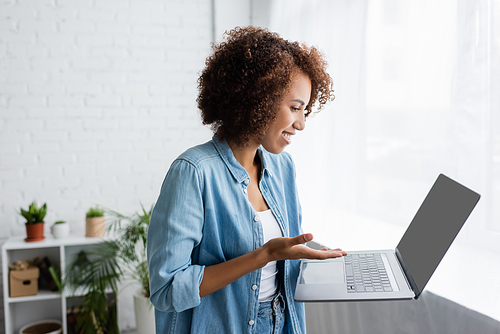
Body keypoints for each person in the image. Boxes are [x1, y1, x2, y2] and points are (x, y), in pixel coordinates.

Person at [147, 26, 346, 334]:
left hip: (281, 323)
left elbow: (284, 259)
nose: (302, 123)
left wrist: (330, 265)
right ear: (259, 99)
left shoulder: (283, 168)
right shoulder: (194, 172)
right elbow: (167, 289)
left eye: (305, 110)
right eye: (295, 108)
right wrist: (264, 255)